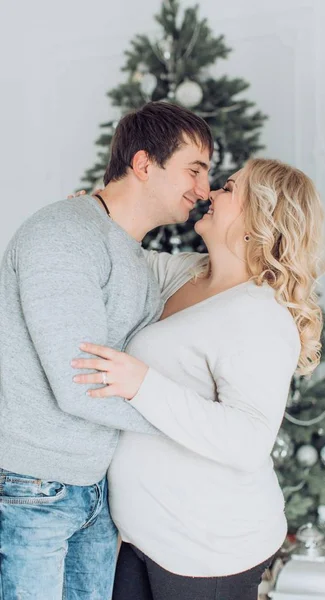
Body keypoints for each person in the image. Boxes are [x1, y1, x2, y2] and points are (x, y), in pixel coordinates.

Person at [72, 158, 325, 600]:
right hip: (147, 537)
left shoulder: (260, 316)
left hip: (208, 552)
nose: (210, 193)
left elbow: (248, 440)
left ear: (258, 219)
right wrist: (93, 217)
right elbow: (126, 262)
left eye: (229, 188)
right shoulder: (190, 273)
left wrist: (141, 384)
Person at [0, 101, 212, 600]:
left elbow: (218, 274)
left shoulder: (132, 253)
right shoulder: (64, 236)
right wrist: (199, 422)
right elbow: (80, 391)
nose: (203, 190)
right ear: (143, 164)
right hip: (35, 491)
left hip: (92, 490)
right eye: (195, 170)